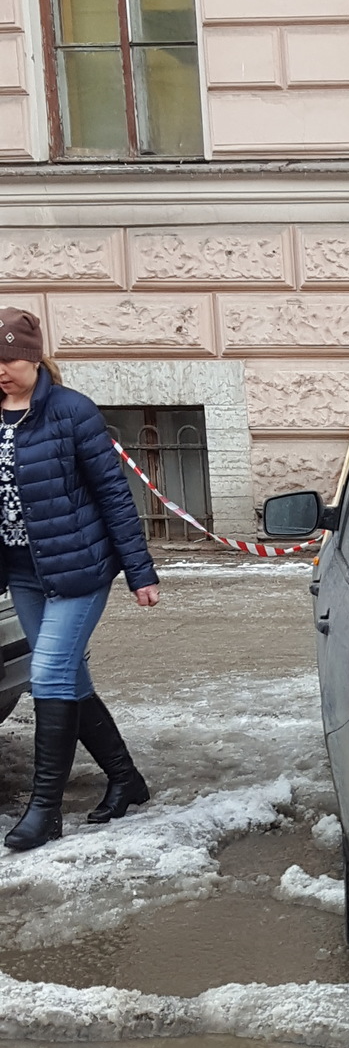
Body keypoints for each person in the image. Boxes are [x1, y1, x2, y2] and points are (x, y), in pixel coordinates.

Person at [0, 309, 160, 852]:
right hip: (22, 572)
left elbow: (115, 494)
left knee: (46, 674)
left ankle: (44, 810)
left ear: (34, 356)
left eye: (11, 358)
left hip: (78, 569)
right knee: (69, 678)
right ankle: (127, 779)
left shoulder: (72, 412)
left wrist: (140, 571)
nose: (2, 369)